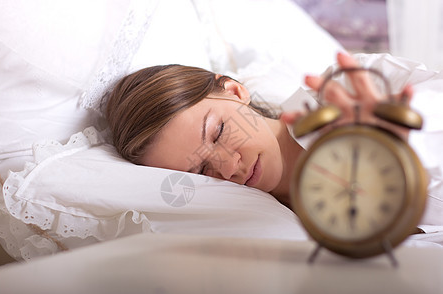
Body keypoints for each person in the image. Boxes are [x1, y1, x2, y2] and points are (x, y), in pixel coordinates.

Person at [106, 52, 413, 208]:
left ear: (236, 91)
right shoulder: (263, 227)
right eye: (200, 171)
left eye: (218, 132)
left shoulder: (356, 88)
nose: (228, 168)